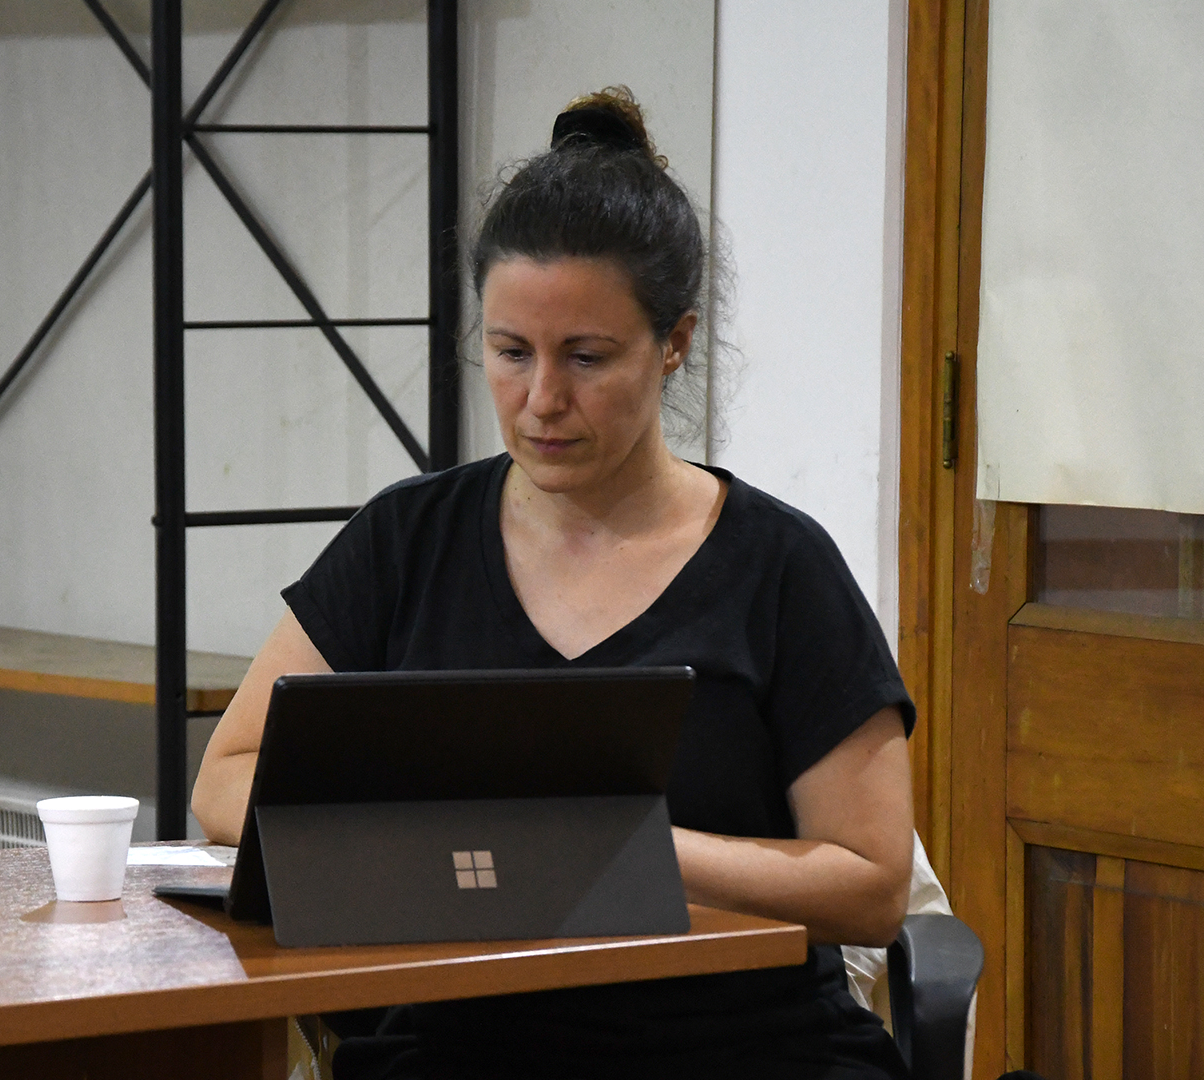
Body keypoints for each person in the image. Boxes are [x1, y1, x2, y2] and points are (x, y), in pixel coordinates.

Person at [191, 86, 917, 1080]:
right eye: (510, 353)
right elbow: (226, 780)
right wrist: (442, 838)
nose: (540, 401)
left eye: (586, 358)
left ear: (675, 343)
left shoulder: (778, 566)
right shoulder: (409, 539)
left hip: (743, 1049)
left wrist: (609, 848)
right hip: (460, 1048)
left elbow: (870, 885)